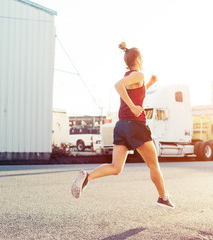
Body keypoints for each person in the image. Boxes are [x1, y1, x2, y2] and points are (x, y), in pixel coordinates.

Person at [71, 42, 175, 209]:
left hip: (121, 126)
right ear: (139, 59)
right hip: (136, 126)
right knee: (153, 164)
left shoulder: (133, 77)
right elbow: (118, 86)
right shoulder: (138, 74)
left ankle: (87, 178)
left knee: (116, 167)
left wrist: (150, 84)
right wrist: (134, 108)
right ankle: (163, 197)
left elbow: (136, 94)